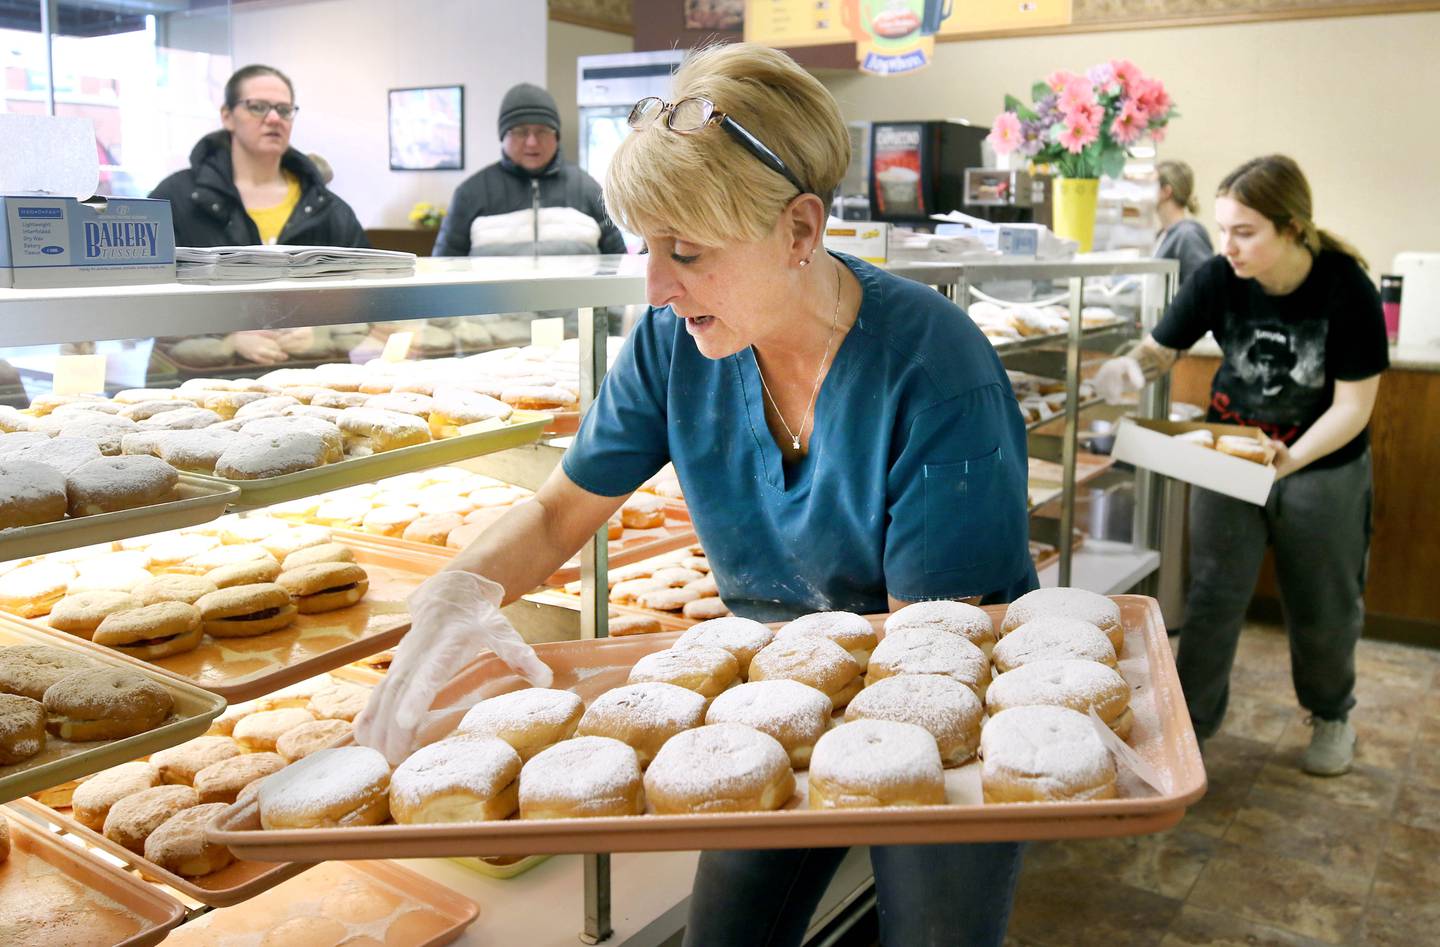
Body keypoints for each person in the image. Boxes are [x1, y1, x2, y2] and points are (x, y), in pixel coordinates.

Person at [359, 44, 1035, 947]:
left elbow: (923, 649)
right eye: (647, 247)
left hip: (938, 689)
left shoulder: (932, 366)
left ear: (800, 230)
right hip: (773, 684)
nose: (656, 284)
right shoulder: (675, 342)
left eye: (688, 252)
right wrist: (460, 590)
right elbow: (561, 510)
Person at [1095, 155, 1387, 776]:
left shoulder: (1345, 287)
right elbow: (1161, 348)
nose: (1227, 245)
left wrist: (1290, 459)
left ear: (1293, 228)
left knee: (1323, 602)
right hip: (1231, 459)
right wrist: (1130, 367)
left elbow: (1355, 405)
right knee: (1213, 595)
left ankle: (1331, 714)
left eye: (1245, 232)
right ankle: (1193, 726)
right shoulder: (1218, 277)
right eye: (1223, 228)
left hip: (1323, 464)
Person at [150, 64, 369, 366]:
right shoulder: (175, 198)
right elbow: (151, 300)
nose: (274, 118)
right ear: (227, 115)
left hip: (310, 382)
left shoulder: (330, 209)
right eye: (258, 107)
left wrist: (324, 334)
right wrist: (225, 340)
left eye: (284, 109)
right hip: (202, 384)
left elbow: (366, 298)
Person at [431, 82, 626, 257]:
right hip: (492, 299)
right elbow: (444, 270)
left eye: (542, 131)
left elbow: (618, 264)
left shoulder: (588, 190)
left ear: (556, 136)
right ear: (503, 137)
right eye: (520, 131)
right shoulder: (470, 194)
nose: (532, 142)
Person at [1152, 159, 1213, 284]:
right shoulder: (1163, 234)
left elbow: (1204, 288)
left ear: (1166, 192)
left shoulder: (1188, 234)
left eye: (1149, 186)